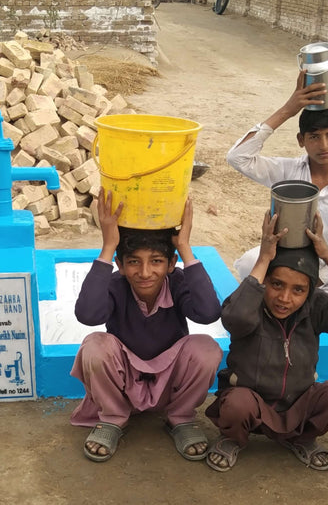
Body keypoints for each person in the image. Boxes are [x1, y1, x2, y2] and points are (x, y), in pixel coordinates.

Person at [204, 210, 328, 472]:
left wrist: (327, 255)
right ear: (265, 282)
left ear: (310, 292)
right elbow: (234, 319)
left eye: (298, 290)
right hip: (252, 405)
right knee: (237, 404)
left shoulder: (315, 308)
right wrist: (263, 258)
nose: (285, 298)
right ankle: (233, 439)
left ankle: (302, 438)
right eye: (276, 284)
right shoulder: (250, 304)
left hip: (298, 405)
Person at [70, 189, 223, 462]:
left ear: (171, 263)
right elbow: (87, 315)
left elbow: (209, 312)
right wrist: (107, 247)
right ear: (120, 264)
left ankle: (181, 417)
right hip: (124, 381)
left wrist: (185, 248)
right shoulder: (116, 286)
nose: (144, 273)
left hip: (169, 382)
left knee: (207, 348)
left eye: (156, 262)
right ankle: (114, 418)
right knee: (94, 345)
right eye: (133, 262)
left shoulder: (178, 284)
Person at [226, 75, 328, 295]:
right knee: (248, 264)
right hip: (286, 266)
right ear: (301, 140)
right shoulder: (288, 172)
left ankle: (310, 301)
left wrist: (316, 280)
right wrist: (288, 109)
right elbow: (237, 158)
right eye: (314, 137)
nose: (324, 145)